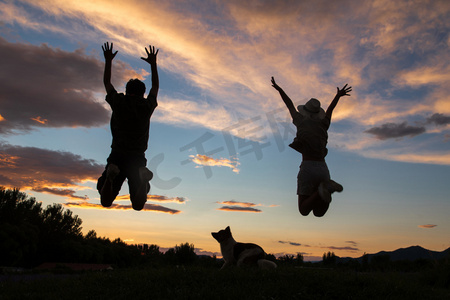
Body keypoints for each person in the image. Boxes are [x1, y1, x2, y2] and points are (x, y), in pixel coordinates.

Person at [271, 77, 351, 217]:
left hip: (308, 167)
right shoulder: (324, 124)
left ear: (305, 111)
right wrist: (338, 95)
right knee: (319, 213)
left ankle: (323, 189)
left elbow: (288, 104)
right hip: (322, 168)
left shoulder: (300, 121)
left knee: (304, 210)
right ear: (318, 113)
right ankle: (324, 188)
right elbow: (331, 109)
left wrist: (279, 89)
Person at [97, 42, 159, 211]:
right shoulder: (146, 106)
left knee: (106, 201)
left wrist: (108, 60)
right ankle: (144, 180)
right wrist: (153, 64)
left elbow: (107, 83)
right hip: (137, 158)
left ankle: (110, 177)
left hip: (117, 155)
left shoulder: (119, 101)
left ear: (126, 90)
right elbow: (155, 87)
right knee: (138, 205)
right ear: (143, 93)